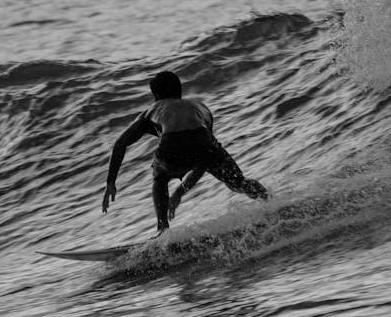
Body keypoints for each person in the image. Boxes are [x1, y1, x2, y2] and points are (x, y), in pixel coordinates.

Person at [102, 71, 268, 234]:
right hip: (205, 142)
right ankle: (270, 202)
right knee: (238, 182)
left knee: (160, 177)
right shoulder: (201, 108)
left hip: (172, 145)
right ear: (179, 90)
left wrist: (111, 182)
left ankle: (163, 229)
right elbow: (203, 161)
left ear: (156, 95)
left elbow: (120, 143)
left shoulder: (153, 110)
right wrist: (179, 193)